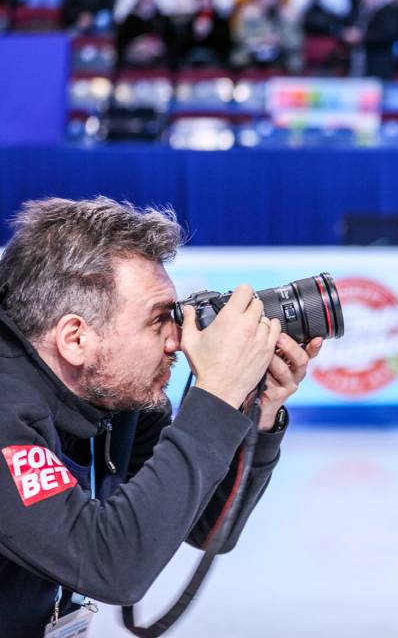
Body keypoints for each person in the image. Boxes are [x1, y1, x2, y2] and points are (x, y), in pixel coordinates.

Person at [0, 197, 323, 637]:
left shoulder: (114, 397)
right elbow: (108, 565)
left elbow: (210, 528)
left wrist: (253, 410)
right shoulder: (6, 410)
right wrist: (215, 395)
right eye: (157, 321)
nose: (177, 341)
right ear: (75, 338)